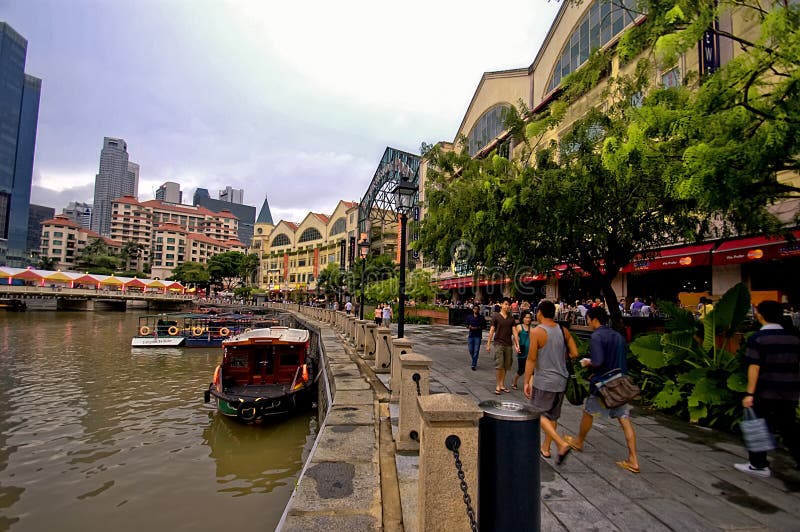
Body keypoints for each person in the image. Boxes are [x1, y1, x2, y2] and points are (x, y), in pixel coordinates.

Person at [564, 306, 640, 474]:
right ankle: (633, 458)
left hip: (604, 385)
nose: (588, 322)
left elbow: (598, 361)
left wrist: (587, 363)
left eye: (589, 319)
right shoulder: (618, 336)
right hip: (620, 384)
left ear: (594, 319)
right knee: (624, 418)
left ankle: (578, 441)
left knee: (589, 412)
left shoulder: (597, 336)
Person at [735, 300, 800, 477]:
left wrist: (749, 393)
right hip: (789, 391)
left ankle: (758, 464)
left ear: (760, 315)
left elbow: (754, 368)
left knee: (757, 425)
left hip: (765, 391)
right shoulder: (793, 338)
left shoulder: (757, 339)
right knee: (789, 428)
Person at [524, 300, 579, 464]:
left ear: (540, 312)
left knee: (537, 413)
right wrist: (558, 357)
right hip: (561, 380)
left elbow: (531, 359)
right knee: (553, 416)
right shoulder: (563, 330)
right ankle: (546, 448)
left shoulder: (537, 332)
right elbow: (575, 353)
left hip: (545, 381)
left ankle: (561, 444)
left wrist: (527, 381)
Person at [486, 297, 520, 395]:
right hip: (498, 343)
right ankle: (498, 384)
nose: (507, 306)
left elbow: (514, 331)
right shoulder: (496, 317)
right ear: (501, 304)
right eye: (505, 304)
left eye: (508, 305)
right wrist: (488, 343)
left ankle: (502, 384)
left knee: (506, 365)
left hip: (508, 344)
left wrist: (517, 344)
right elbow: (492, 330)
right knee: (499, 365)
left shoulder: (511, 318)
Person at [512, 311, 533, 389]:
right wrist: (516, 346)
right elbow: (515, 338)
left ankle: (530, 386)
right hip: (522, 350)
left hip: (530, 351)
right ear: (523, 318)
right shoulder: (519, 327)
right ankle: (514, 382)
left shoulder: (532, 328)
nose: (528, 319)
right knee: (521, 370)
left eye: (529, 318)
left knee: (531, 370)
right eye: (526, 317)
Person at [466, 305, 486, 371]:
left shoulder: (481, 318)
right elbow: (466, 324)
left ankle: (473, 364)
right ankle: (474, 359)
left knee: (476, 350)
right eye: (475, 309)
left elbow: (485, 326)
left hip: (478, 336)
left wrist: (478, 328)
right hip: (471, 335)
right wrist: (469, 327)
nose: (476, 310)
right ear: (473, 309)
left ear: (479, 310)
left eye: (477, 309)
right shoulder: (469, 317)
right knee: (471, 350)